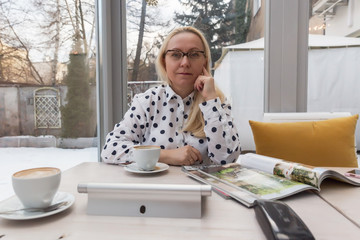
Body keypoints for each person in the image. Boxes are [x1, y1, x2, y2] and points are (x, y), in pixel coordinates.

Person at [101, 26, 240, 166]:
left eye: (194, 54)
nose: (185, 63)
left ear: (204, 61)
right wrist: (166, 156)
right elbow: (110, 149)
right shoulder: (147, 102)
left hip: (200, 187)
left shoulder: (217, 103)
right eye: (175, 54)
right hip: (156, 186)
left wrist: (211, 100)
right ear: (164, 61)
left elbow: (227, 159)